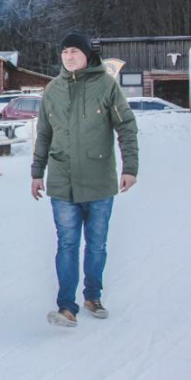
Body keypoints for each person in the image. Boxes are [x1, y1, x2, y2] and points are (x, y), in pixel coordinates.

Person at [31, 32, 139, 328]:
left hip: (99, 181)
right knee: (66, 244)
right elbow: (44, 134)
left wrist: (130, 167)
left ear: (87, 54)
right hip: (62, 182)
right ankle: (67, 306)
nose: (68, 56)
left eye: (74, 51)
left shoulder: (106, 85)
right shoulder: (53, 90)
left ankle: (92, 295)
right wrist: (36, 172)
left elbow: (126, 127)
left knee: (96, 245)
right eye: (64, 51)